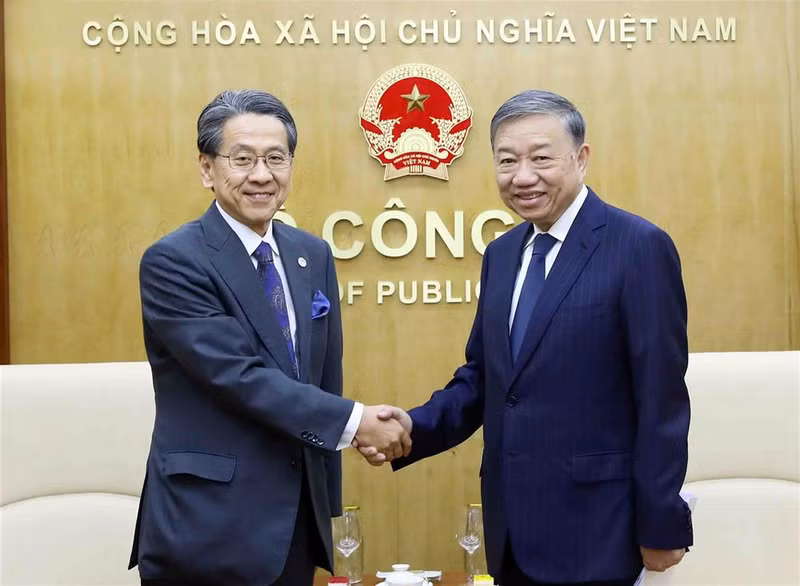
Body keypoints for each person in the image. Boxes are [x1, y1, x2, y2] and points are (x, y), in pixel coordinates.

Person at [359, 90, 693, 585]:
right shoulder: (503, 253)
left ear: (581, 159)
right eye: (507, 160)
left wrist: (662, 521)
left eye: (541, 158)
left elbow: (661, 397)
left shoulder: (638, 247)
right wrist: (412, 427)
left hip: (600, 531)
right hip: (511, 532)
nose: (523, 176)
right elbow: (485, 379)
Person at [129, 89, 410, 586]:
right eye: (242, 159)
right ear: (207, 168)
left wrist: (326, 502)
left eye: (276, 158)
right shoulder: (175, 261)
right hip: (205, 530)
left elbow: (323, 375)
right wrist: (355, 423)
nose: (262, 175)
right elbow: (237, 376)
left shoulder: (312, 254)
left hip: (293, 528)